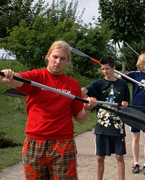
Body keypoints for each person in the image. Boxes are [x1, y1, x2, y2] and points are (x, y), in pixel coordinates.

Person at [1, 40, 97, 179]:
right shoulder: (36, 77)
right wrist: (8, 75)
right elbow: (12, 80)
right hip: (35, 143)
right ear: (48, 56)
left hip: (63, 144)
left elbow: (80, 119)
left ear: (67, 61)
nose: (58, 62)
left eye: (62, 59)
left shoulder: (72, 84)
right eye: (55, 57)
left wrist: (87, 108)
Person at [81, 55, 130, 180]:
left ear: (113, 68)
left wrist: (125, 105)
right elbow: (85, 91)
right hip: (102, 126)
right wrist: (73, 92)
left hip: (117, 125)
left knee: (119, 156)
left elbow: (127, 102)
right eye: (102, 69)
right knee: (99, 157)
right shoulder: (98, 83)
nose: (105, 72)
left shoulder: (122, 84)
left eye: (107, 69)